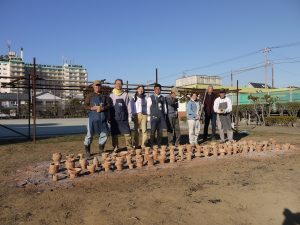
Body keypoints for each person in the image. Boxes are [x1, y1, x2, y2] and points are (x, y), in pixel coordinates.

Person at [83, 80, 112, 157]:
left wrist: (103, 108)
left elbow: (109, 105)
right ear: (93, 86)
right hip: (92, 118)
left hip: (102, 118)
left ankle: (101, 150)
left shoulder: (105, 96)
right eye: (96, 85)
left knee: (104, 134)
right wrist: (92, 108)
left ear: (101, 86)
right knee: (89, 135)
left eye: (99, 85)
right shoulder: (89, 96)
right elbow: (85, 106)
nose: (97, 86)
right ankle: (87, 151)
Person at [110, 79, 133, 151]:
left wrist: (130, 115)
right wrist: (109, 117)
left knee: (127, 133)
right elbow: (109, 107)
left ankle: (129, 147)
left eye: (120, 83)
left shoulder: (125, 95)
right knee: (114, 133)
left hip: (124, 117)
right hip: (114, 117)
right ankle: (115, 147)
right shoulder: (111, 95)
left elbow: (128, 105)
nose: (118, 85)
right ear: (115, 85)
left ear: (122, 85)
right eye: (117, 83)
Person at [147, 83, 167, 147]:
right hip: (153, 117)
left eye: (159, 89)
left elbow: (165, 107)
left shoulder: (162, 98)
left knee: (160, 132)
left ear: (160, 90)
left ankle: (159, 144)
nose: (158, 90)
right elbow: (148, 107)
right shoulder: (151, 97)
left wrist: (165, 115)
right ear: (154, 90)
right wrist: (148, 116)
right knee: (153, 131)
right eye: (156, 89)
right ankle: (152, 144)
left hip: (161, 117)